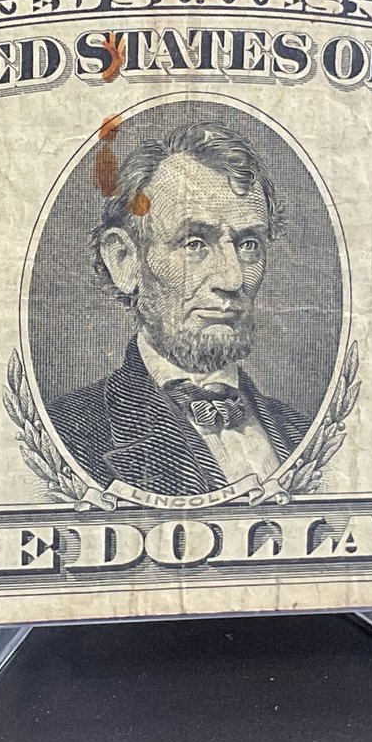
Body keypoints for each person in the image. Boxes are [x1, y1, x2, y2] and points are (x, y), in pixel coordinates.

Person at [48, 119, 309, 498]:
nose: (233, 278)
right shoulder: (66, 432)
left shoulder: (303, 432)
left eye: (248, 244)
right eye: (194, 244)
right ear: (124, 260)